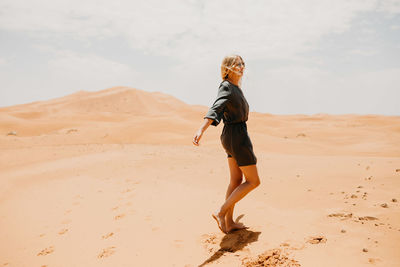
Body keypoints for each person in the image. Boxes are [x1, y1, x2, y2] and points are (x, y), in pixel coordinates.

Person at [192, 55, 261, 234]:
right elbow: (215, 108)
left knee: (236, 180)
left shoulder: (235, 88)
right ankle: (221, 212)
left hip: (232, 135)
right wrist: (201, 129)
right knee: (253, 181)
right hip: (237, 136)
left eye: (243, 64)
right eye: (237, 64)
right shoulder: (227, 86)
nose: (241, 67)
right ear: (228, 67)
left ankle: (229, 222)